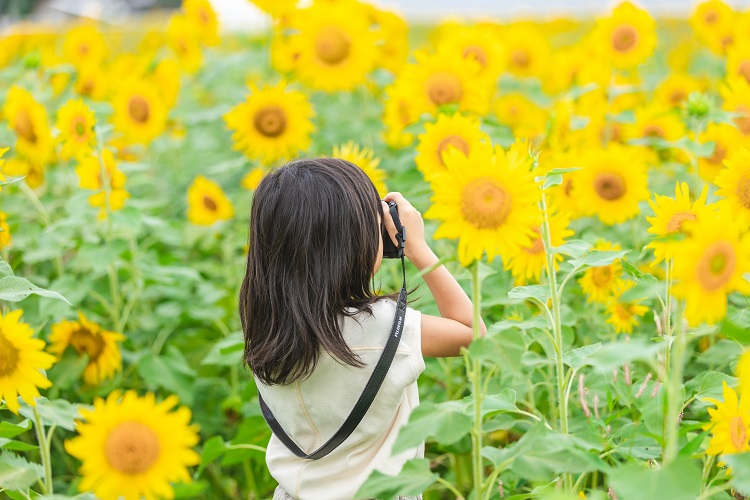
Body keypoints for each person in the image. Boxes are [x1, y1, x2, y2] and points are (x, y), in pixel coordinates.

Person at [239, 157, 486, 500]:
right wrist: (418, 249)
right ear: (352, 246)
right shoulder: (379, 328)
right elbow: (474, 335)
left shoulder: (269, 330)